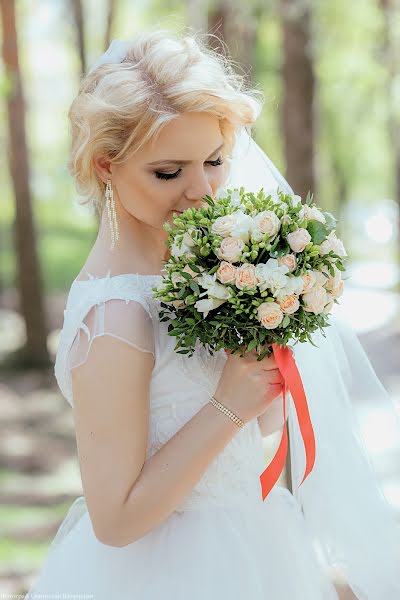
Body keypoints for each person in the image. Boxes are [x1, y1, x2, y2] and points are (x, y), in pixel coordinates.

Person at [25, 28, 400, 600]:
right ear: (105, 166)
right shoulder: (115, 316)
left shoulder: (208, 276)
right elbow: (116, 520)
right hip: (165, 574)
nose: (202, 189)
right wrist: (230, 401)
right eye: (169, 172)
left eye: (215, 160)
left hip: (260, 545)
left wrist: (262, 362)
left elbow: (254, 447)